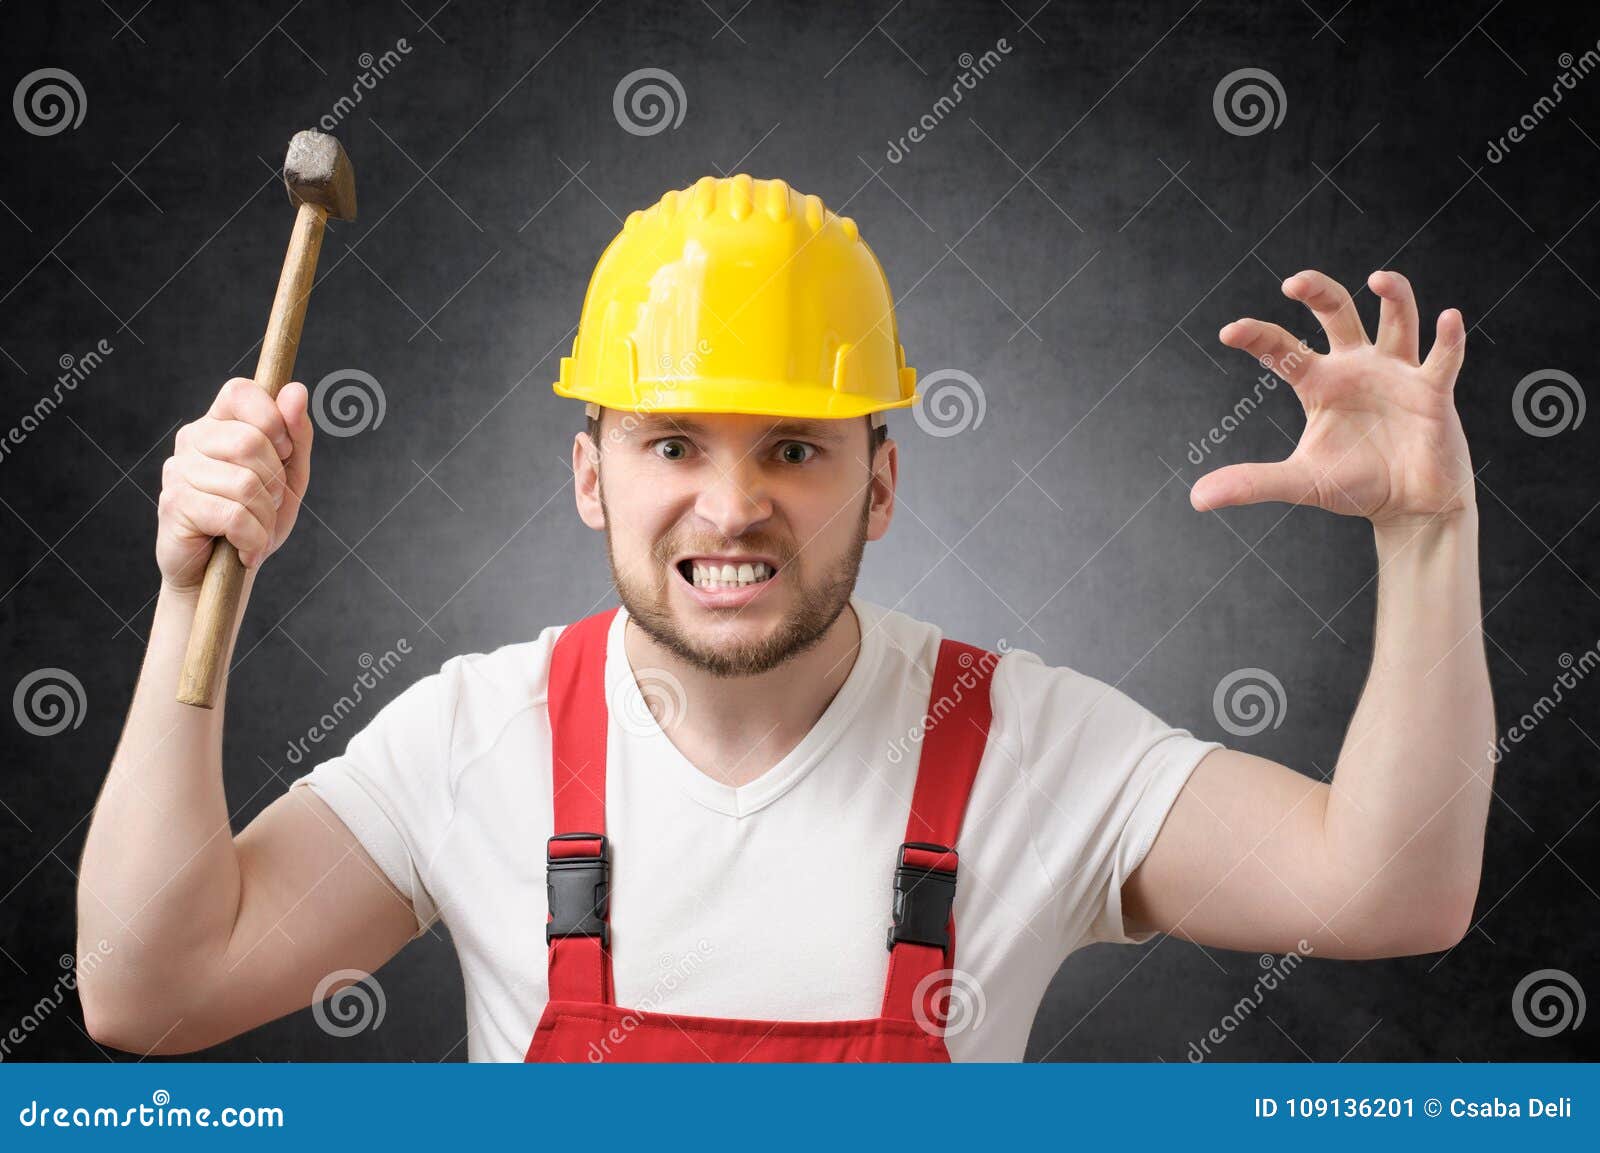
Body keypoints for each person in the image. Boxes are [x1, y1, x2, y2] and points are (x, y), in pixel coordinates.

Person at [77, 174, 1493, 1061]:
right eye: (673, 443)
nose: (733, 505)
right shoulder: (472, 738)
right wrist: (196, 591)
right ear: (592, 475)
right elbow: (149, 993)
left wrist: (1427, 535)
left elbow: (1391, 892)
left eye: (796, 448)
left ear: (881, 482)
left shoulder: (1024, 740)